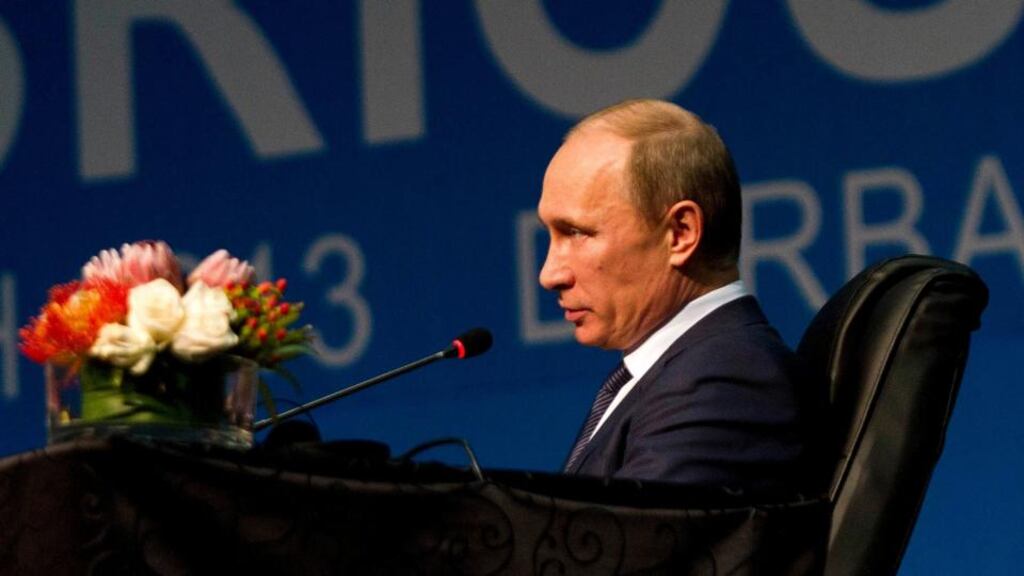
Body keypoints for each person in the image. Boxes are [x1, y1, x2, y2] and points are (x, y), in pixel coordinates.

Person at [538, 99, 823, 496]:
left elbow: (628, 535)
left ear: (680, 233)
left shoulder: (725, 381)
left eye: (577, 233)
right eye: (550, 235)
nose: (549, 274)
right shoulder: (677, 372)